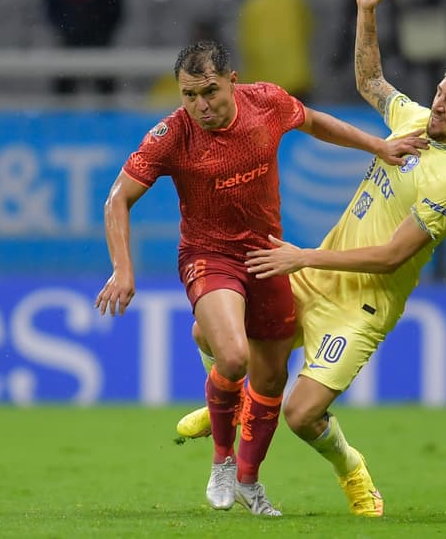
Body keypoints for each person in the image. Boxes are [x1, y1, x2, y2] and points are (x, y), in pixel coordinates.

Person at [174, 0, 446, 517]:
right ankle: (235, 398)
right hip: (315, 269)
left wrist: (303, 256)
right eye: (440, 94)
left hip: (362, 304)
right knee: (215, 337)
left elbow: (391, 256)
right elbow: (371, 80)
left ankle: (351, 467)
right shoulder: (413, 123)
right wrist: (364, 13)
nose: (437, 106)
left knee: (301, 414)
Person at [94, 37, 428, 517]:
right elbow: (117, 199)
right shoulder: (170, 136)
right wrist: (123, 269)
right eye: (188, 95)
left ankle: (250, 482)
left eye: (208, 92)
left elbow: (313, 121)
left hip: (268, 255)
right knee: (233, 357)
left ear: (234, 81)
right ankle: (223, 462)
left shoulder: (266, 103)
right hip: (208, 255)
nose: (199, 106)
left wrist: (377, 144)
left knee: (270, 379)